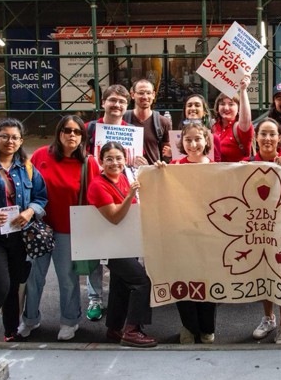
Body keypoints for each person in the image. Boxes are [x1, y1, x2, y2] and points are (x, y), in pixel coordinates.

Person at [21, 115, 99, 341]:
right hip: (39, 229)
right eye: (67, 130)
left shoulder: (88, 162)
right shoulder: (40, 155)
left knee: (67, 278)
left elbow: (95, 196)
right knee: (34, 277)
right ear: (59, 132)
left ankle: (69, 321)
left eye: (77, 132)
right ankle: (29, 319)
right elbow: (28, 189)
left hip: (69, 230)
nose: (72, 135)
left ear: (83, 137)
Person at [0, 119, 47, 347]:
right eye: (4, 136)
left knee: (14, 285)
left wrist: (28, 212)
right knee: (0, 287)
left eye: (15, 137)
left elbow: (41, 197)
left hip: (18, 236)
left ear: (21, 141)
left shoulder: (26, 167)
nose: (10, 141)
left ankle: (10, 330)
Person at [87, 141, 157, 347]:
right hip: (111, 246)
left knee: (120, 285)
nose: (114, 163)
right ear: (101, 161)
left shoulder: (124, 179)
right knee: (142, 282)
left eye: (118, 158)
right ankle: (132, 330)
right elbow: (115, 217)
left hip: (127, 243)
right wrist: (128, 196)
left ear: (125, 159)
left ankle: (114, 329)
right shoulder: (98, 185)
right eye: (109, 159)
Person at [246, 118, 281, 344]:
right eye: (263, 134)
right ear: (256, 138)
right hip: (258, 229)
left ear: (279, 138)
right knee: (263, 273)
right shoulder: (244, 165)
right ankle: (269, 318)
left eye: (272, 134)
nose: (267, 139)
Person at [166, 123, 218, 343]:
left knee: (207, 282)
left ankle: (207, 328)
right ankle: (188, 326)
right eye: (188, 140)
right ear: (181, 143)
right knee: (183, 281)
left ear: (206, 141)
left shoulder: (218, 169)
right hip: (182, 235)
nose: (193, 144)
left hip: (209, 237)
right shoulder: (173, 167)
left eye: (198, 139)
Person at [124, 79, 172, 164]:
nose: (145, 97)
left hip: (153, 174)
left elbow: (167, 155)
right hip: (126, 174)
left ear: (153, 95)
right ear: (132, 95)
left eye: (148, 93)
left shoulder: (163, 122)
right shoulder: (123, 118)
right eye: (141, 93)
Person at [212, 76, 254, 162]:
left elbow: (246, 118)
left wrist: (243, 90)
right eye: (222, 104)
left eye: (231, 104)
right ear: (217, 107)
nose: (226, 108)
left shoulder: (240, 128)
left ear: (239, 109)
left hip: (238, 174)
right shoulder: (212, 126)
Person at [183, 93, 222, 162]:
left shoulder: (214, 138)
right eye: (189, 105)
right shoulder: (177, 136)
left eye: (197, 105)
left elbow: (217, 166)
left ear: (204, 112)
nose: (192, 108)